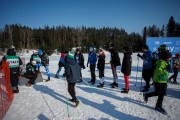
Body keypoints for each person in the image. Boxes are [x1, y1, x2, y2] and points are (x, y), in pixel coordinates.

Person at [143, 50, 172, 115]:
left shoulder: (167, 62)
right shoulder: (161, 62)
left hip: (164, 80)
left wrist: (168, 68)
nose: (170, 58)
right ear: (166, 57)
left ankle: (158, 105)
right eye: (169, 57)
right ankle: (146, 95)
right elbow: (158, 72)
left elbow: (167, 70)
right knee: (157, 93)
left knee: (163, 93)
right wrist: (165, 69)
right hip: (158, 80)